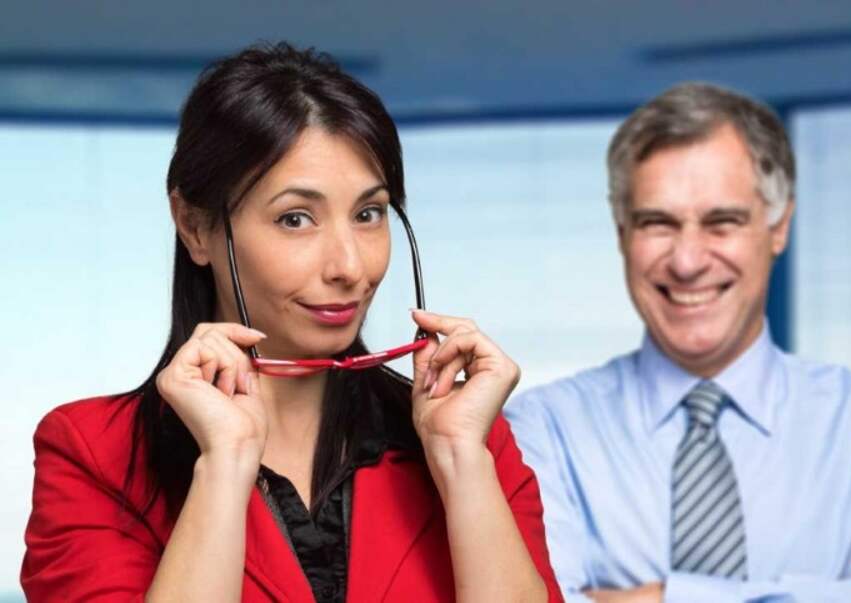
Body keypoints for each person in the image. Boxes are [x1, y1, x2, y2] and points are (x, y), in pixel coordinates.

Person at [22, 42, 560, 603]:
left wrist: (459, 459)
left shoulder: (472, 437)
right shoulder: (92, 456)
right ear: (195, 227)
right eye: (295, 219)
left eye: (369, 214)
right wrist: (225, 465)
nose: (349, 267)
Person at [504, 83, 851, 602]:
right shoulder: (541, 429)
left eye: (721, 222)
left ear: (779, 227)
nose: (687, 262)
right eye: (657, 223)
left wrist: (661, 596)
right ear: (622, 234)